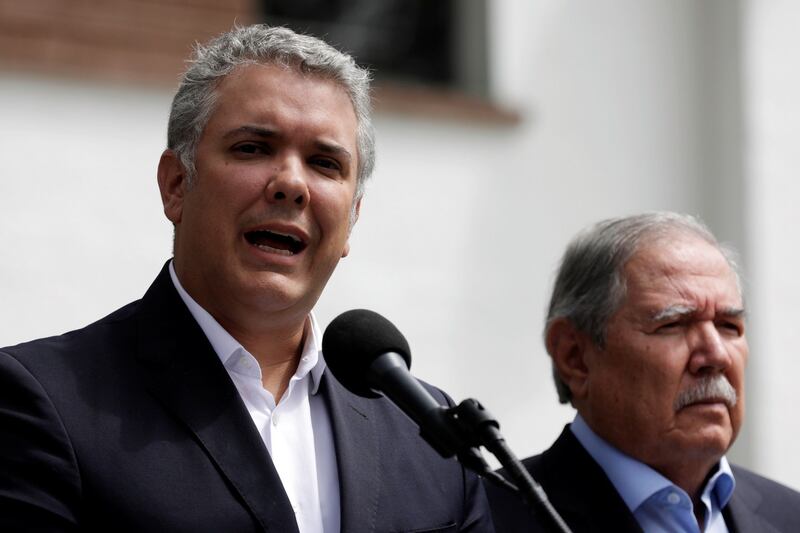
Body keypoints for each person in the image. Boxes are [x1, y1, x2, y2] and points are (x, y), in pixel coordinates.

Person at [0, 25, 493, 532]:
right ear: (175, 185)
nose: (292, 185)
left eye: (324, 163)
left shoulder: (429, 430)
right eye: (253, 148)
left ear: (352, 219)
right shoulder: (39, 402)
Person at [486, 212, 800, 532]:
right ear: (575, 356)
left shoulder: (790, 516)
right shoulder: (488, 519)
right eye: (672, 325)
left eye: (729, 326)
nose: (716, 355)